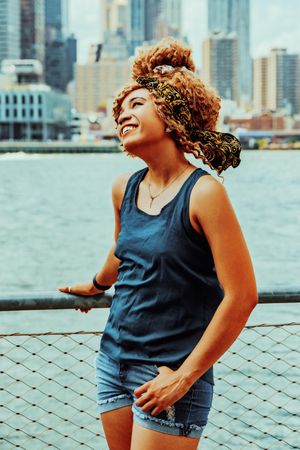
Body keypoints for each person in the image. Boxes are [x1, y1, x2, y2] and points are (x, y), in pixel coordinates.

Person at [59, 38, 257, 450]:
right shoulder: (123, 188)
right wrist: (96, 284)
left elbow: (242, 297)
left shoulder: (204, 193)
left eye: (137, 105)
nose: (123, 116)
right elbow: (124, 247)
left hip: (169, 372)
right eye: (121, 109)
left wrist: (185, 377)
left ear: (170, 116)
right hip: (112, 360)